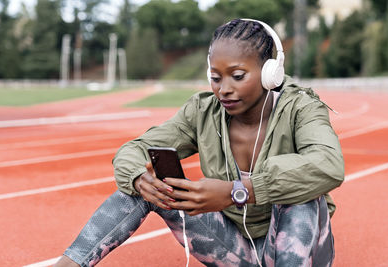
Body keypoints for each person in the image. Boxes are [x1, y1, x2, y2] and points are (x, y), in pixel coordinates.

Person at [55, 18, 344, 267]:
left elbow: (329, 165)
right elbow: (133, 149)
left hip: (297, 251)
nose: (225, 90)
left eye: (238, 76)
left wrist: (237, 192)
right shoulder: (202, 111)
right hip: (233, 250)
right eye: (216, 78)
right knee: (147, 183)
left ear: (271, 73)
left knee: (300, 192)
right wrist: (141, 180)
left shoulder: (302, 108)